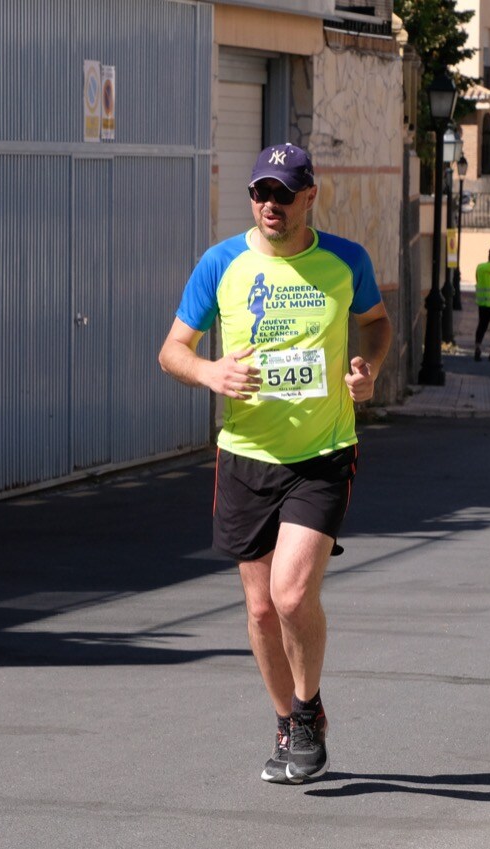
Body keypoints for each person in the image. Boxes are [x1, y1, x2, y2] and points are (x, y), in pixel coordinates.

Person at [158, 143, 393, 785]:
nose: (270, 204)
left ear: (310, 197)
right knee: (260, 610)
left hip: (322, 453)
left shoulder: (346, 261)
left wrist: (368, 367)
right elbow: (173, 350)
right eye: (261, 192)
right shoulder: (221, 264)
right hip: (245, 456)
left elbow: (376, 325)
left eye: (284, 194)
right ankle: (290, 724)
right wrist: (210, 370)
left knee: (292, 595)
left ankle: (308, 704)